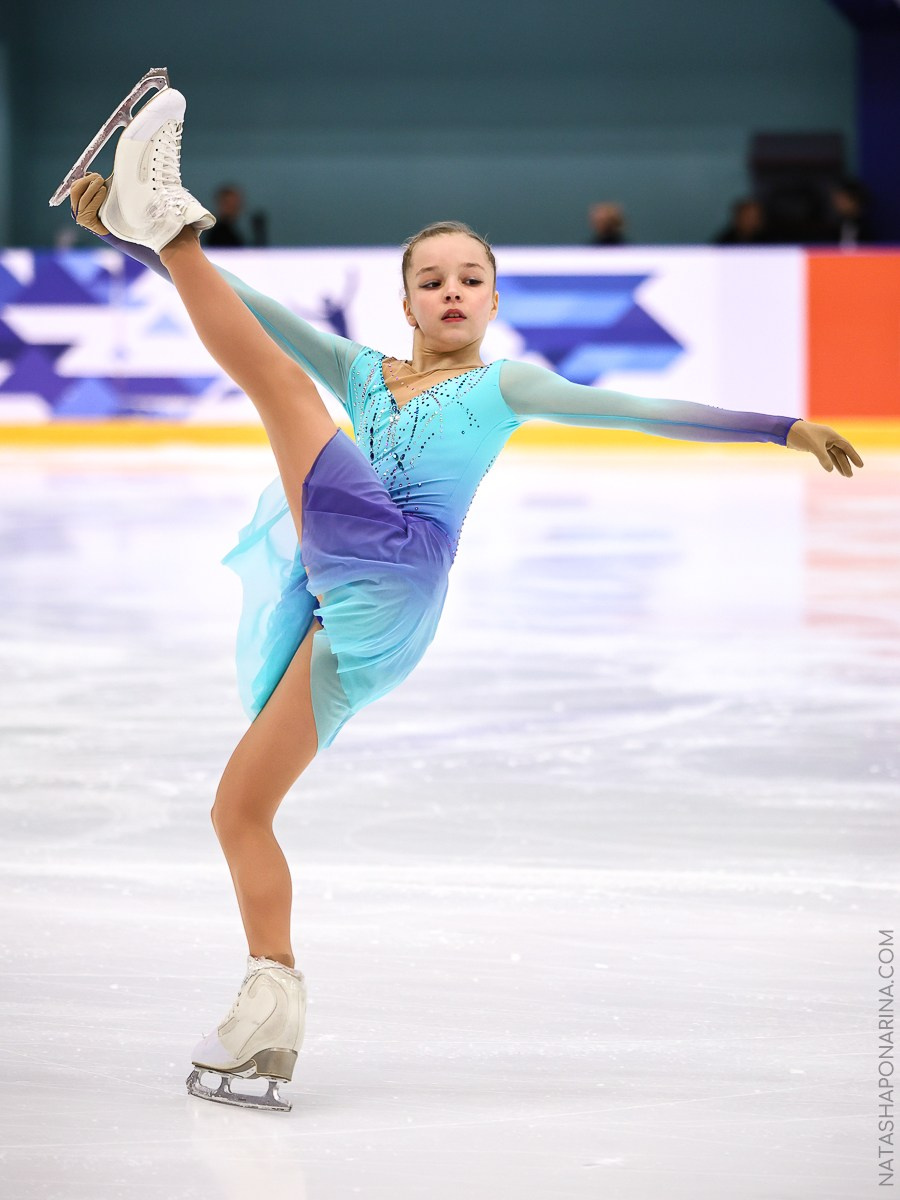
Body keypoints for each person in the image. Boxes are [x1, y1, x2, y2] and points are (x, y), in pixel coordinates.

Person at [64, 83, 863, 1113]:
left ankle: (162, 204)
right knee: (238, 809)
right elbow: (245, 313)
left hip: (398, 570)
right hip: (360, 622)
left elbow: (633, 411)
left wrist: (776, 426)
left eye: (471, 279)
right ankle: (271, 1002)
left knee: (279, 394)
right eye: (431, 279)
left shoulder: (506, 387)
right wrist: (142, 245)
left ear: (493, 300)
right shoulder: (361, 370)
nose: (452, 292)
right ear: (405, 301)